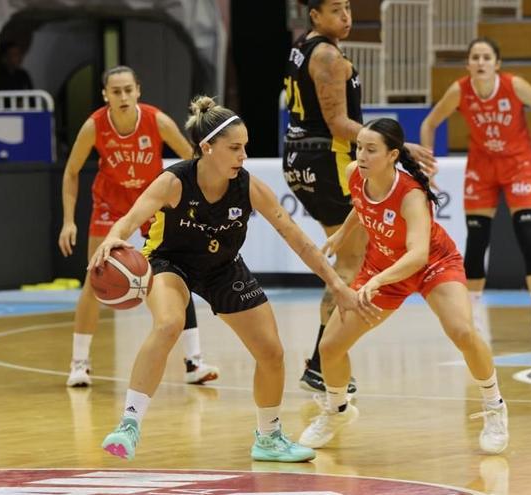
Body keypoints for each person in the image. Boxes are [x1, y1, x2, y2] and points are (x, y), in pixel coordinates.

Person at [91, 96, 375, 462]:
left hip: (223, 267)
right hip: (169, 262)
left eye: (245, 148)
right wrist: (115, 236)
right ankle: (129, 424)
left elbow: (298, 239)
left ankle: (269, 436)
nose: (243, 156)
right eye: (235, 148)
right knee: (169, 324)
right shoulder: (174, 181)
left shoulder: (248, 186)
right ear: (207, 148)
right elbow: (131, 219)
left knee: (271, 351)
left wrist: (337, 284)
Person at [298, 118, 509, 455]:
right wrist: (342, 234)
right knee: (330, 347)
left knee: (463, 332)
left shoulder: (411, 195)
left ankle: (495, 406)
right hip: (382, 266)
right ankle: (337, 410)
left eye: (371, 149)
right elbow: (361, 205)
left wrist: (378, 280)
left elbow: (418, 255)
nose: (361, 155)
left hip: (431, 266)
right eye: (359, 148)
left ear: (393, 154)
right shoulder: (356, 172)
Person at [284, 0, 436, 394]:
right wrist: (395, 146)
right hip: (324, 157)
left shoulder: (303, 46)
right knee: (351, 261)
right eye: (336, 9)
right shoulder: (330, 57)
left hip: (301, 156)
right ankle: (322, 364)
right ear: (314, 15)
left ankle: (320, 361)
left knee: (349, 256)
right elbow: (337, 122)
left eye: (348, 7)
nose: (346, 16)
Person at [59, 66, 219, 387]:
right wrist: (67, 221)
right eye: (116, 91)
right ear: (105, 95)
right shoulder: (94, 126)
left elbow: (192, 157)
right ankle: (79, 364)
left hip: (151, 201)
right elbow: (71, 171)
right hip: (110, 202)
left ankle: (194, 362)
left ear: (138, 90)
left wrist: (191, 200)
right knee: (95, 278)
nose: (123, 97)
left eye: (128, 90)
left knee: (176, 277)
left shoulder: (156, 120)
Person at [420, 37, 531, 343]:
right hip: (482, 167)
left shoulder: (514, 85)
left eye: (486, 57)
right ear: (468, 64)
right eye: (475, 57)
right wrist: (427, 164)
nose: (480, 62)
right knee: (476, 242)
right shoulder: (460, 90)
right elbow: (429, 124)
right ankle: (472, 319)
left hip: (519, 164)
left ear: (497, 64)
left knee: (529, 237)